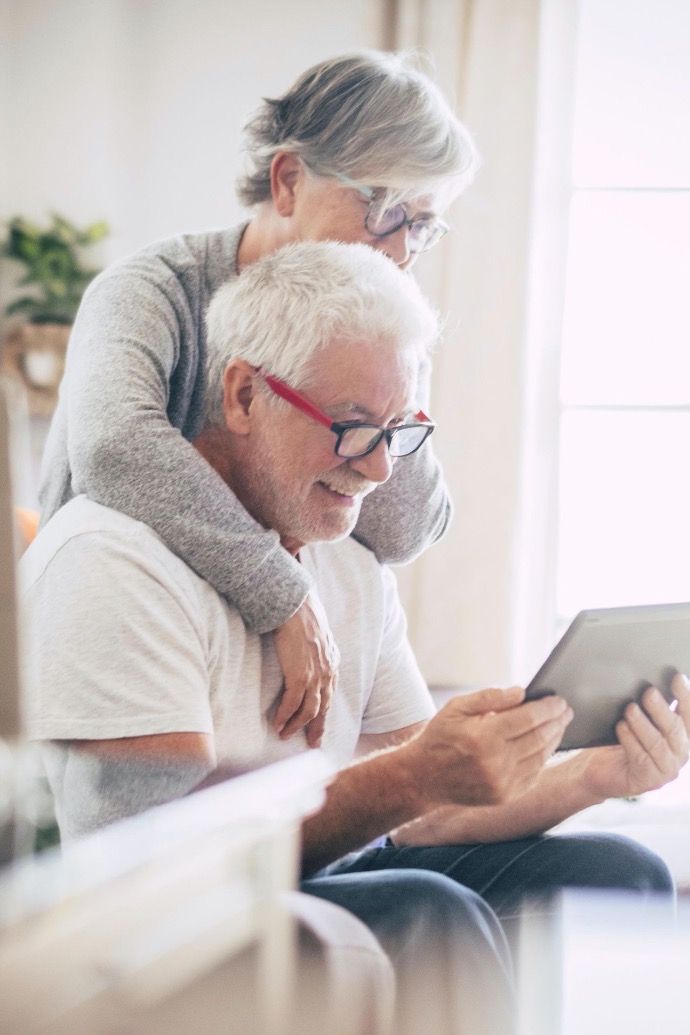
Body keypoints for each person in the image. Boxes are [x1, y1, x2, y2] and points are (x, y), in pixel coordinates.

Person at [23, 242, 688, 1035]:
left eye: (399, 432)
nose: (378, 471)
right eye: (351, 427)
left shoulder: (348, 562)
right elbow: (165, 867)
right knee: (425, 909)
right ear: (242, 395)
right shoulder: (115, 560)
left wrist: (596, 775)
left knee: (622, 871)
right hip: (154, 935)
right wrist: (410, 776)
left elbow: (427, 812)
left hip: (306, 872)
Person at [38, 49, 480, 749]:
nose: (399, 251)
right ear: (288, 180)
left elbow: (402, 529)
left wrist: (388, 371)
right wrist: (283, 591)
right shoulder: (151, 291)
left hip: (256, 692)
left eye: (422, 223)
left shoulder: (381, 313)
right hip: (117, 657)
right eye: (383, 208)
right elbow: (113, 446)